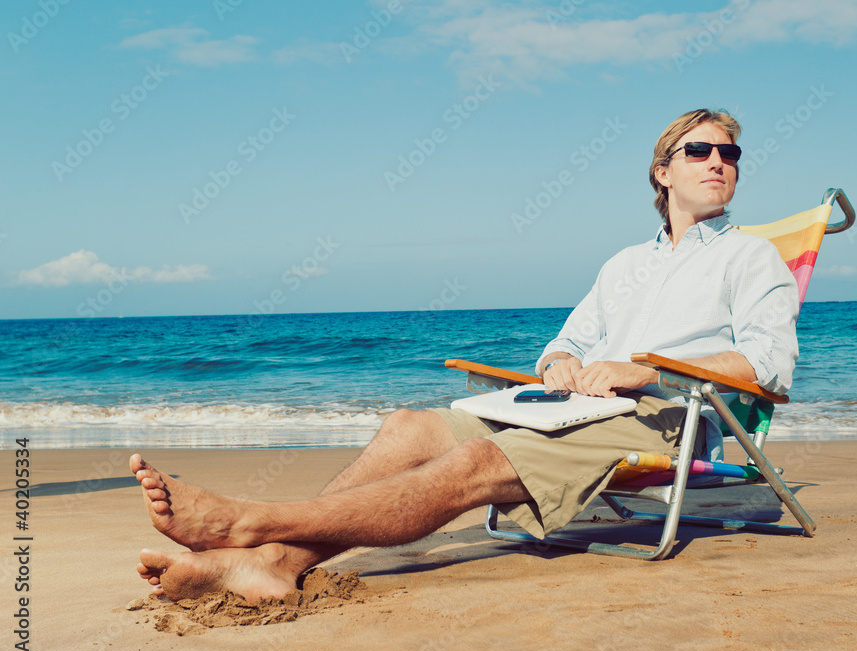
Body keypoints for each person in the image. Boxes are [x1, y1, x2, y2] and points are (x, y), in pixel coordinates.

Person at [131, 108, 799, 602]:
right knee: (409, 428)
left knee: (475, 461)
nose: (720, 161)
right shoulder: (624, 264)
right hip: (574, 407)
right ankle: (276, 563)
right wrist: (560, 362)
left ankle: (250, 525)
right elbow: (565, 340)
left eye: (731, 153)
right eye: (701, 150)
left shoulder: (750, 257)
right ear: (663, 171)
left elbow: (767, 364)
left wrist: (646, 369)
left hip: (663, 418)